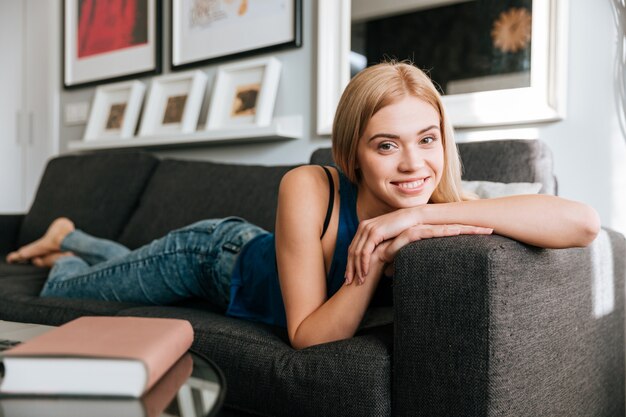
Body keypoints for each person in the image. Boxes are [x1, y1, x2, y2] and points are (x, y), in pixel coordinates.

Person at [6, 62, 600, 350]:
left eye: (427, 139)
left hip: (228, 268)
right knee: (64, 294)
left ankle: (73, 235)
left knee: (125, 264)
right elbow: (309, 334)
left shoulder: (443, 202)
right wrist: (376, 251)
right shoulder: (309, 187)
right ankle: (68, 244)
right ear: (354, 153)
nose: (414, 165)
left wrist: (416, 218)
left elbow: (582, 223)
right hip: (210, 258)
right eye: (386, 145)